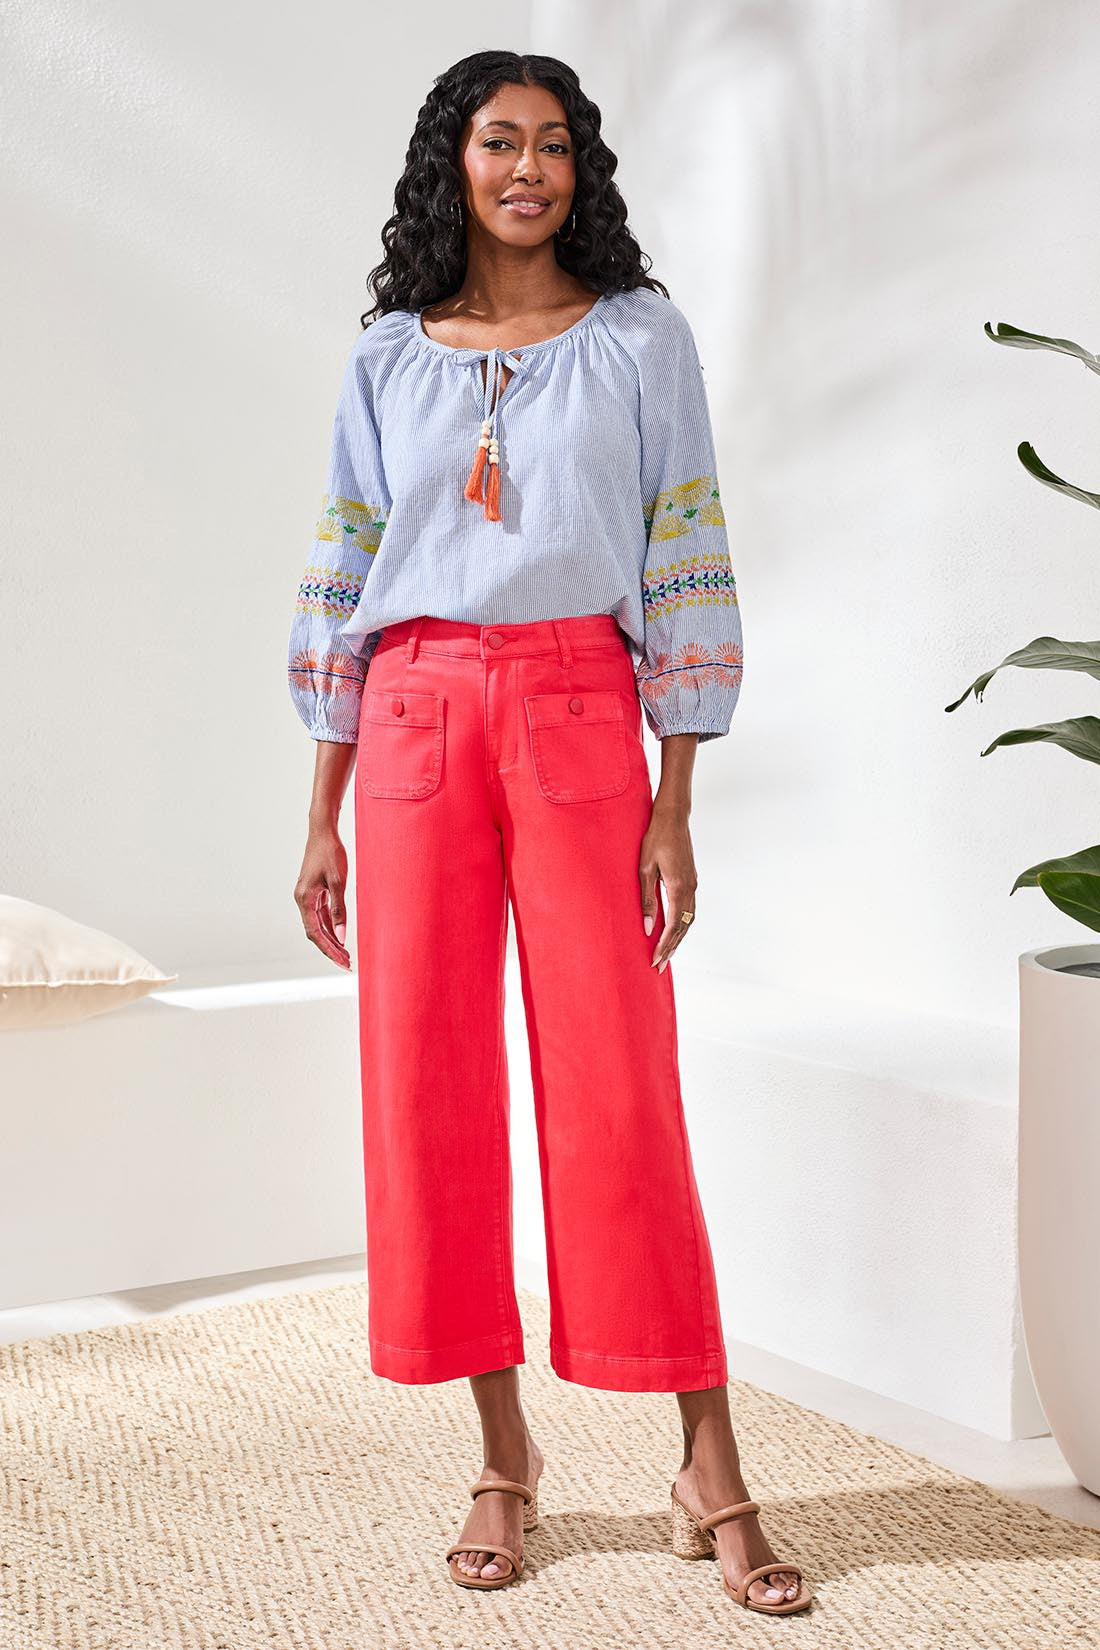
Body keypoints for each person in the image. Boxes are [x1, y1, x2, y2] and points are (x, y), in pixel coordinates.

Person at [287, 49, 811, 1617]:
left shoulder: (642, 337)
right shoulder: (388, 356)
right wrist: (319, 813)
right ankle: (503, 1454)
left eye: (557, 144)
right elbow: (344, 569)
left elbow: (687, 547)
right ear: (451, 165)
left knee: (620, 1089)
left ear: (583, 170)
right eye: (500, 141)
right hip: (411, 720)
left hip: (583, 707)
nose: (530, 169)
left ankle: (707, 1462)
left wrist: (677, 797)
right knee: (428, 1092)